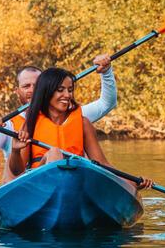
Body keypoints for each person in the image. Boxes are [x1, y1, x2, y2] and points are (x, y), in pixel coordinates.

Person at [8, 67, 152, 190]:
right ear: (47, 92)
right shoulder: (30, 123)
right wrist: (15, 150)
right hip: (40, 185)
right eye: (60, 90)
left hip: (76, 181)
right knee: (55, 153)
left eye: (70, 90)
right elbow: (17, 170)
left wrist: (133, 182)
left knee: (78, 165)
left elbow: (102, 164)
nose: (67, 95)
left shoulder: (83, 123)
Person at [0, 54, 116, 182]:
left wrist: (106, 72)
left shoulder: (80, 118)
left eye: (36, 86)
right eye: (26, 86)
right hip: (32, 182)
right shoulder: (17, 124)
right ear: (17, 91)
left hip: (75, 178)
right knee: (54, 153)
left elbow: (106, 104)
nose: (32, 90)